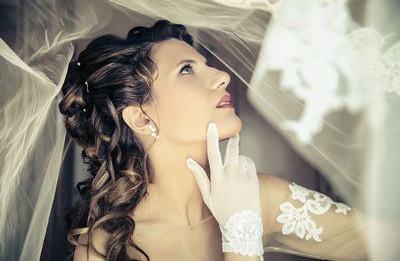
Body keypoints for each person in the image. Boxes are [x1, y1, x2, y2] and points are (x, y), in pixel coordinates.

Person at [58, 20, 369, 261]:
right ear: (140, 118)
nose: (223, 76)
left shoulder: (257, 198)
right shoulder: (103, 248)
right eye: (186, 70)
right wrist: (241, 235)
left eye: (204, 65)